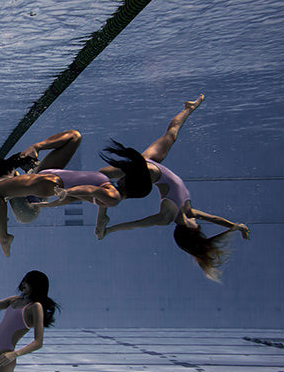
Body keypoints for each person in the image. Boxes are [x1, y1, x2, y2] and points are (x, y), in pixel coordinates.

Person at [94, 96, 250, 280]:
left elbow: (137, 224)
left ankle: (100, 215)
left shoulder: (166, 217)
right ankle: (189, 108)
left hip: (148, 173)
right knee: (172, 133)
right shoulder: (189, 212)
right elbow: (216, 219)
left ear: (191, 231)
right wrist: (236, 227)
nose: (199, 225)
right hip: (152, 163)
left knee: (106, 180)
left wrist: (110, 229)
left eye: (198, 229)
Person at [0, 134, 153, 257]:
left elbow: (78, 196)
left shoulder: (110, 190)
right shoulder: (113, 197)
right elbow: (89, 190)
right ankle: (4, 237)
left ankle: (25, 170)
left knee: (75, 136)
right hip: (52, 181)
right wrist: (66, 192)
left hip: (52, 177)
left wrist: (51, 204)